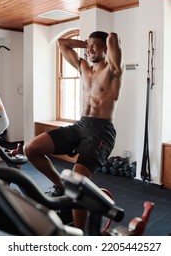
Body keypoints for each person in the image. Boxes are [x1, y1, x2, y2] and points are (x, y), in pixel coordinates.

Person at [24, 31, 125, 230]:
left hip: (101, 131)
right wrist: (86, 44)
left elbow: (113, 37)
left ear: (106, 48)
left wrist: (102, 42)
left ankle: (78, 236)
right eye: (89, 46)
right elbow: (62, 43)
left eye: (96, 45)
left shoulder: (113, 70)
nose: (90, 49)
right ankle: (60, 185)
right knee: (31, 149)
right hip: (81, 126)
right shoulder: (84, 67)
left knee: (77, 182)